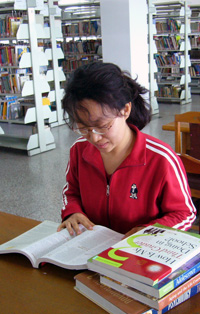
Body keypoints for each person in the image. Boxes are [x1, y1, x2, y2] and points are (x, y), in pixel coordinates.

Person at [57, 62, 196, 237]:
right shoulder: (79, 149)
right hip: (89, 248)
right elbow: (71, 191)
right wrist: (72, 212)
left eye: (103, 126)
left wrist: (150, 231)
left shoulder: (160, 159)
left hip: (140, 252)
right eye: (83, 128)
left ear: (125, 110)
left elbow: (184, 213)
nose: (94, 138)